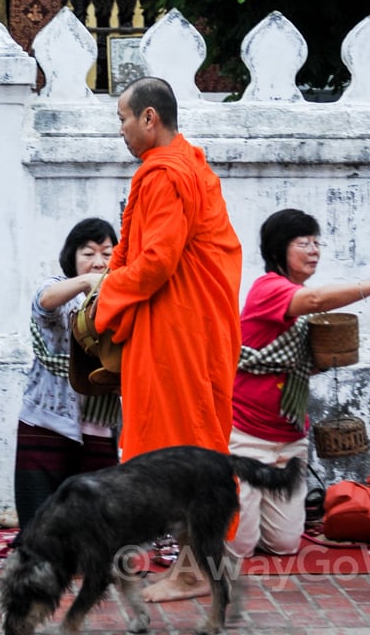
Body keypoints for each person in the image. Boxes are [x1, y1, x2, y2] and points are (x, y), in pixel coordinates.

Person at [94, 76, 242, 601]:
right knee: (193, 441)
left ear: (150, 119)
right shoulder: (188, 164)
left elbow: (155, 261)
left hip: (178, 329)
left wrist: (105, 298)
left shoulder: (164, 174)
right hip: (192, 324)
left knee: (180, 447)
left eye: (123, 119)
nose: (122, 130)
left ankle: (193, 569)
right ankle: (196, 562)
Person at [229, 208, 370, 562]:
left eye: (317, 242)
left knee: (285, 546)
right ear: (278, 249)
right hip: (245, 436)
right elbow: (315, 301)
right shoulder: (268, 289)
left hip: (288, 437)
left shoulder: (297, 305)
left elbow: (290, 358)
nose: (314, 250)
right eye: (304, 243)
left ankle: (245, 518)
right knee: (237, 548)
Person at [13, 217, 121, 530]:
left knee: (95, 519)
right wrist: (88, 284)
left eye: (106, 252)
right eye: (88, 253)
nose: (98, 261)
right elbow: (44, 301)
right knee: (39, 519)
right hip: (46, 417)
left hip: (97, 421)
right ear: (72, 257)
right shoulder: (58, 288)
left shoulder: (126, 301)